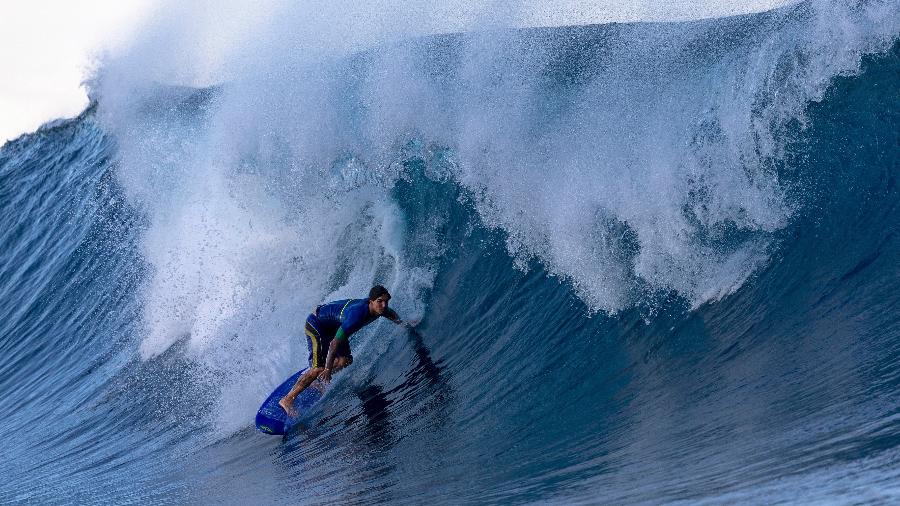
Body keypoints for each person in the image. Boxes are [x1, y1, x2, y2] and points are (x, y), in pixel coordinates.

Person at [279, 285, 407, 417]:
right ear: (371, 301)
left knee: (345, 360)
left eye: (386, 301)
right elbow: (334, 343)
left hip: (334, 327)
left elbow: (389, 313)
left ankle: (316, 381)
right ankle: (287, 399)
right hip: (316, 324)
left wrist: (403, 324)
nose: (384, 305)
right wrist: (328, 369)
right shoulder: (357, 316)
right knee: (318, 368)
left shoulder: (380, 308)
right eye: (380, 301)